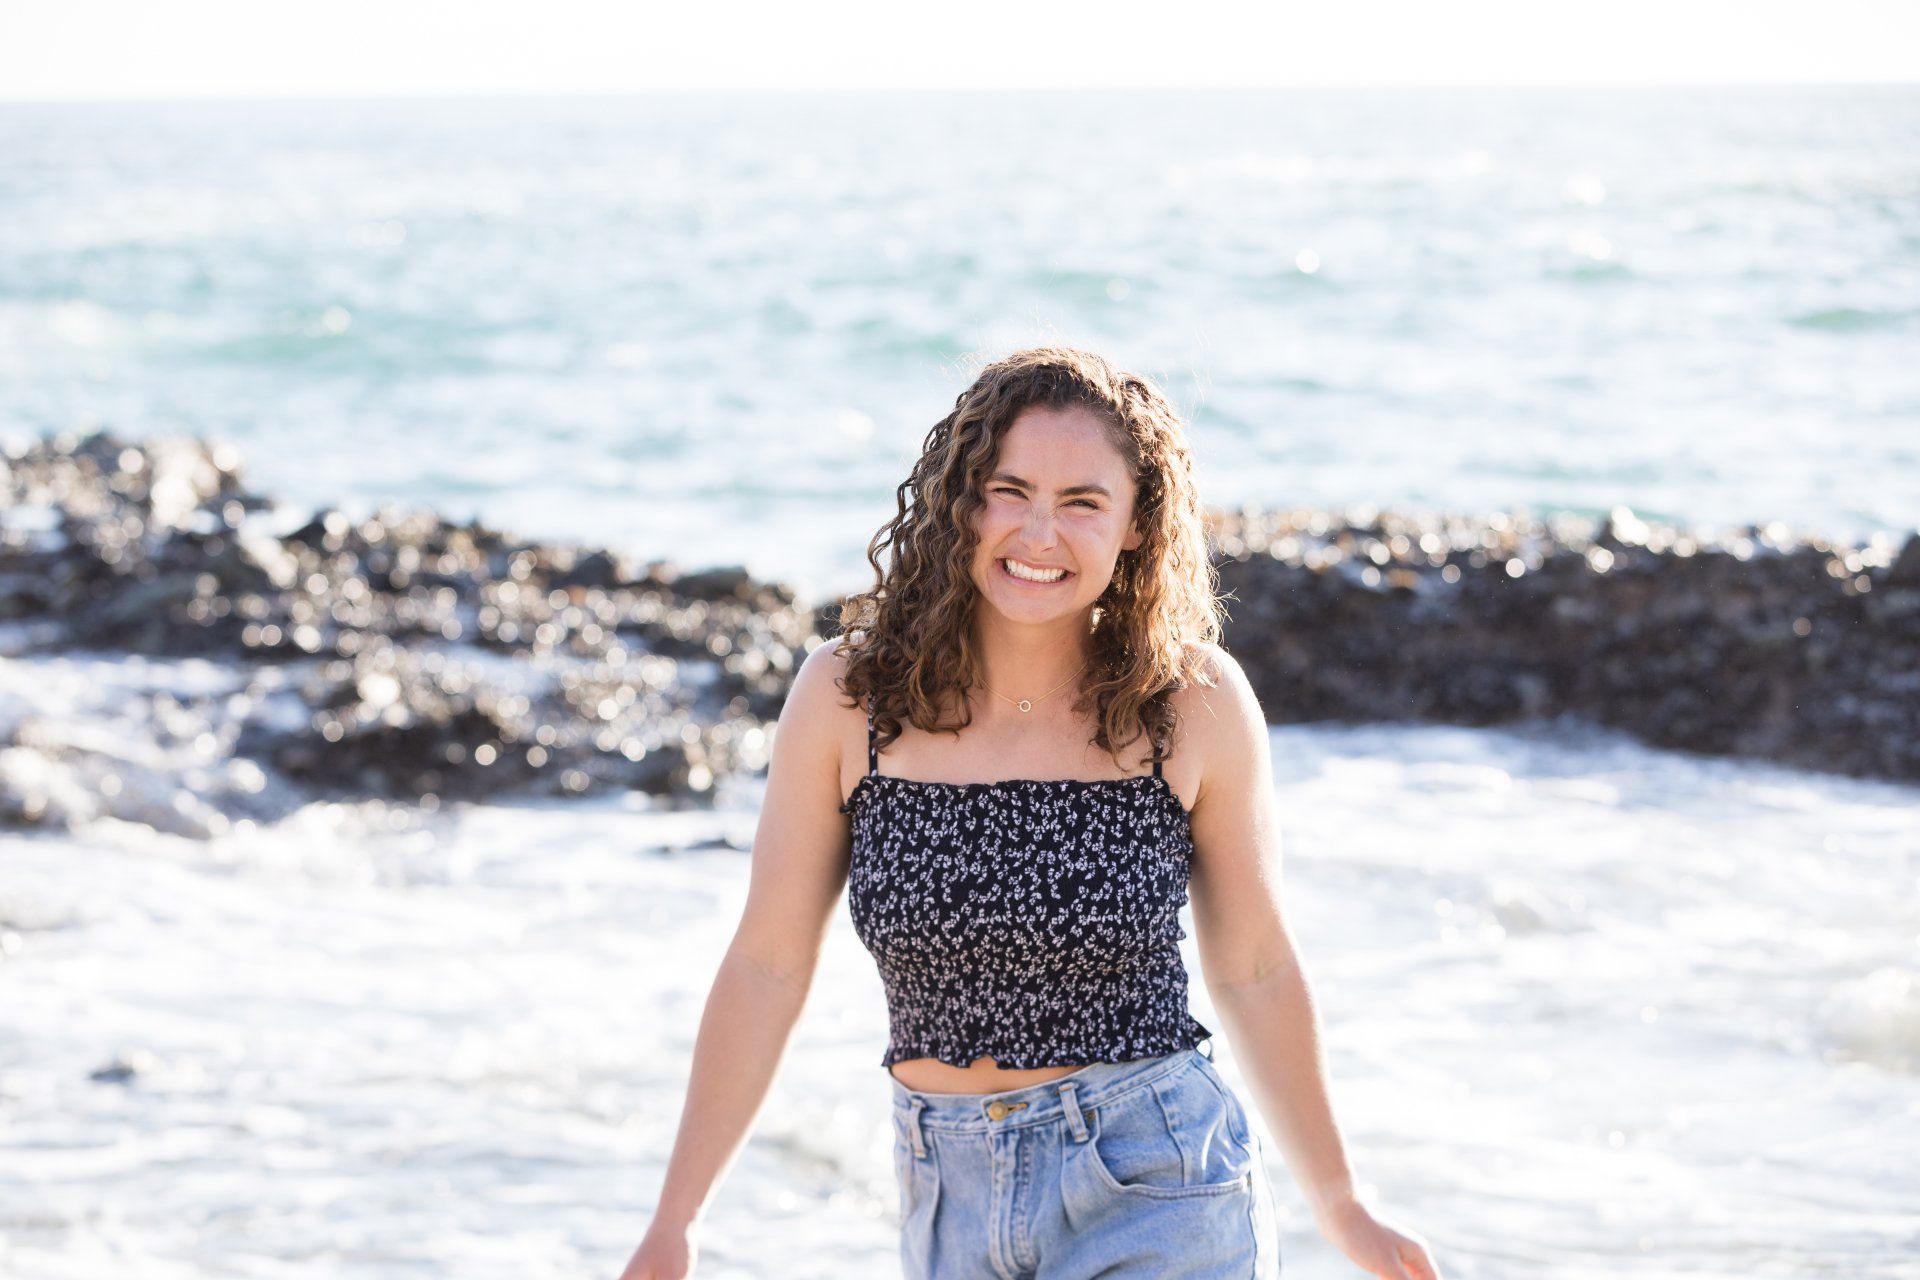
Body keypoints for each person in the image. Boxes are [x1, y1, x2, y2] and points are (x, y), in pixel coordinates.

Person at [619, 348, 1443, 1279]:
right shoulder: (851, 698)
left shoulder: (1192, 702)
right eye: (1009, 490)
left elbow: (1254, 967)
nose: (1038, 533)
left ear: (1137, 526)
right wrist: (676, 1217)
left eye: (1084, 502)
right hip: (945, 1200)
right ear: (961, 502)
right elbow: (767, 963)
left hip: (1154, 1182)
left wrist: (1343, 1205)